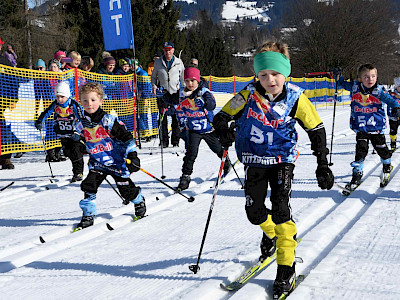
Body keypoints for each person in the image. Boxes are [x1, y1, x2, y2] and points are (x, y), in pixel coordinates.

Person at [213, 40, 334, 298]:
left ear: (285, 73)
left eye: (276, 74)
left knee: (281, 211)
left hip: (282, 161)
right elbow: (221, 117)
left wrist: (322, 164)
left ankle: (285, 267)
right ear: (257, 74)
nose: (270, 80)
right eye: (264, 74)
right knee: (254, 213)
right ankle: (272, 236)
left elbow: (316, 129)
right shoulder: (246, 96)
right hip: (254, 160)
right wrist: (223, 131)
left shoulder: (295, 98)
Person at [72, 82, 146, 229]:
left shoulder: (108, 120)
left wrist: (133, 155)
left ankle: (138, 200)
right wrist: (79, 146)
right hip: (97, 162)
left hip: (117, 162)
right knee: (89, 185)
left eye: (93, 100)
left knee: (126, 191)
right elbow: (80, 140)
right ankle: (88, 214)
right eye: (85, 100)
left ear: (101, 101)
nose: (89, 104)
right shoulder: (80, 122)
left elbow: (127, 137)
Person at [334, 64, 400, 191]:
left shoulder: (379, 91)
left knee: (381, 148)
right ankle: (357, 172)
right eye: (366, 77)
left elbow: (391, 100)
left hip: (376, 126)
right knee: (361, 149)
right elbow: (340, 84)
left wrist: (396, 107)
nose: (370, 79)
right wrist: (338, 75)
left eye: (373, 76)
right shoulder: (355, 87)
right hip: (361, 125)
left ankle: (387, 165)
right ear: (360, 79)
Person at [175, 67, 230, 191]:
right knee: (191, 153)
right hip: (193, 130)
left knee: (217, 148)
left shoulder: (204, 92)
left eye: (192, 81)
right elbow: (179, 110)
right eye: (187, 81)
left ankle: (226, 163)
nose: (190, 84)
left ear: (198, 81)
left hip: (208, 128)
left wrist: (205, 103)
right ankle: (186, 175)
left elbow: (212, 105)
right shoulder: (182, 94)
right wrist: (182, 125)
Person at [35, 81, 86, 182]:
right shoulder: (55, 104)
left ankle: (78, 172)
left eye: (62, 97)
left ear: (67, 95)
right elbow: (46, 113)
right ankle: (76, 169)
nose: (59, 99)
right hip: (62, 133)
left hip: (74, 133)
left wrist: (79, 132)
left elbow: (82, 119)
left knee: (76, 152)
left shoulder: (73, 105)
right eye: (57, 96)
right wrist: (40, 121)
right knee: (68, 153)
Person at [151, 41, 185, 147]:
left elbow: (183, 77)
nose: (168, 52)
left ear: (173, 50)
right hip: (163, 93)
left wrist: (184, 90)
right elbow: (153, 77)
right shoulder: (158, 62)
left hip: (176, 92)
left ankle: (175, 141)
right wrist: (154, 87)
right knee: (162, 117)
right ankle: (163, 141)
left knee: (176, 117)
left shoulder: (179, 62)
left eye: (169, 50)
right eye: (166, 50)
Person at [387, 77, 400, 152]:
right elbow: (388, 106)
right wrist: (391, 113)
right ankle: (393, 144)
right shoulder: (392, 95)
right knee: (393, 131)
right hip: (393, 117)